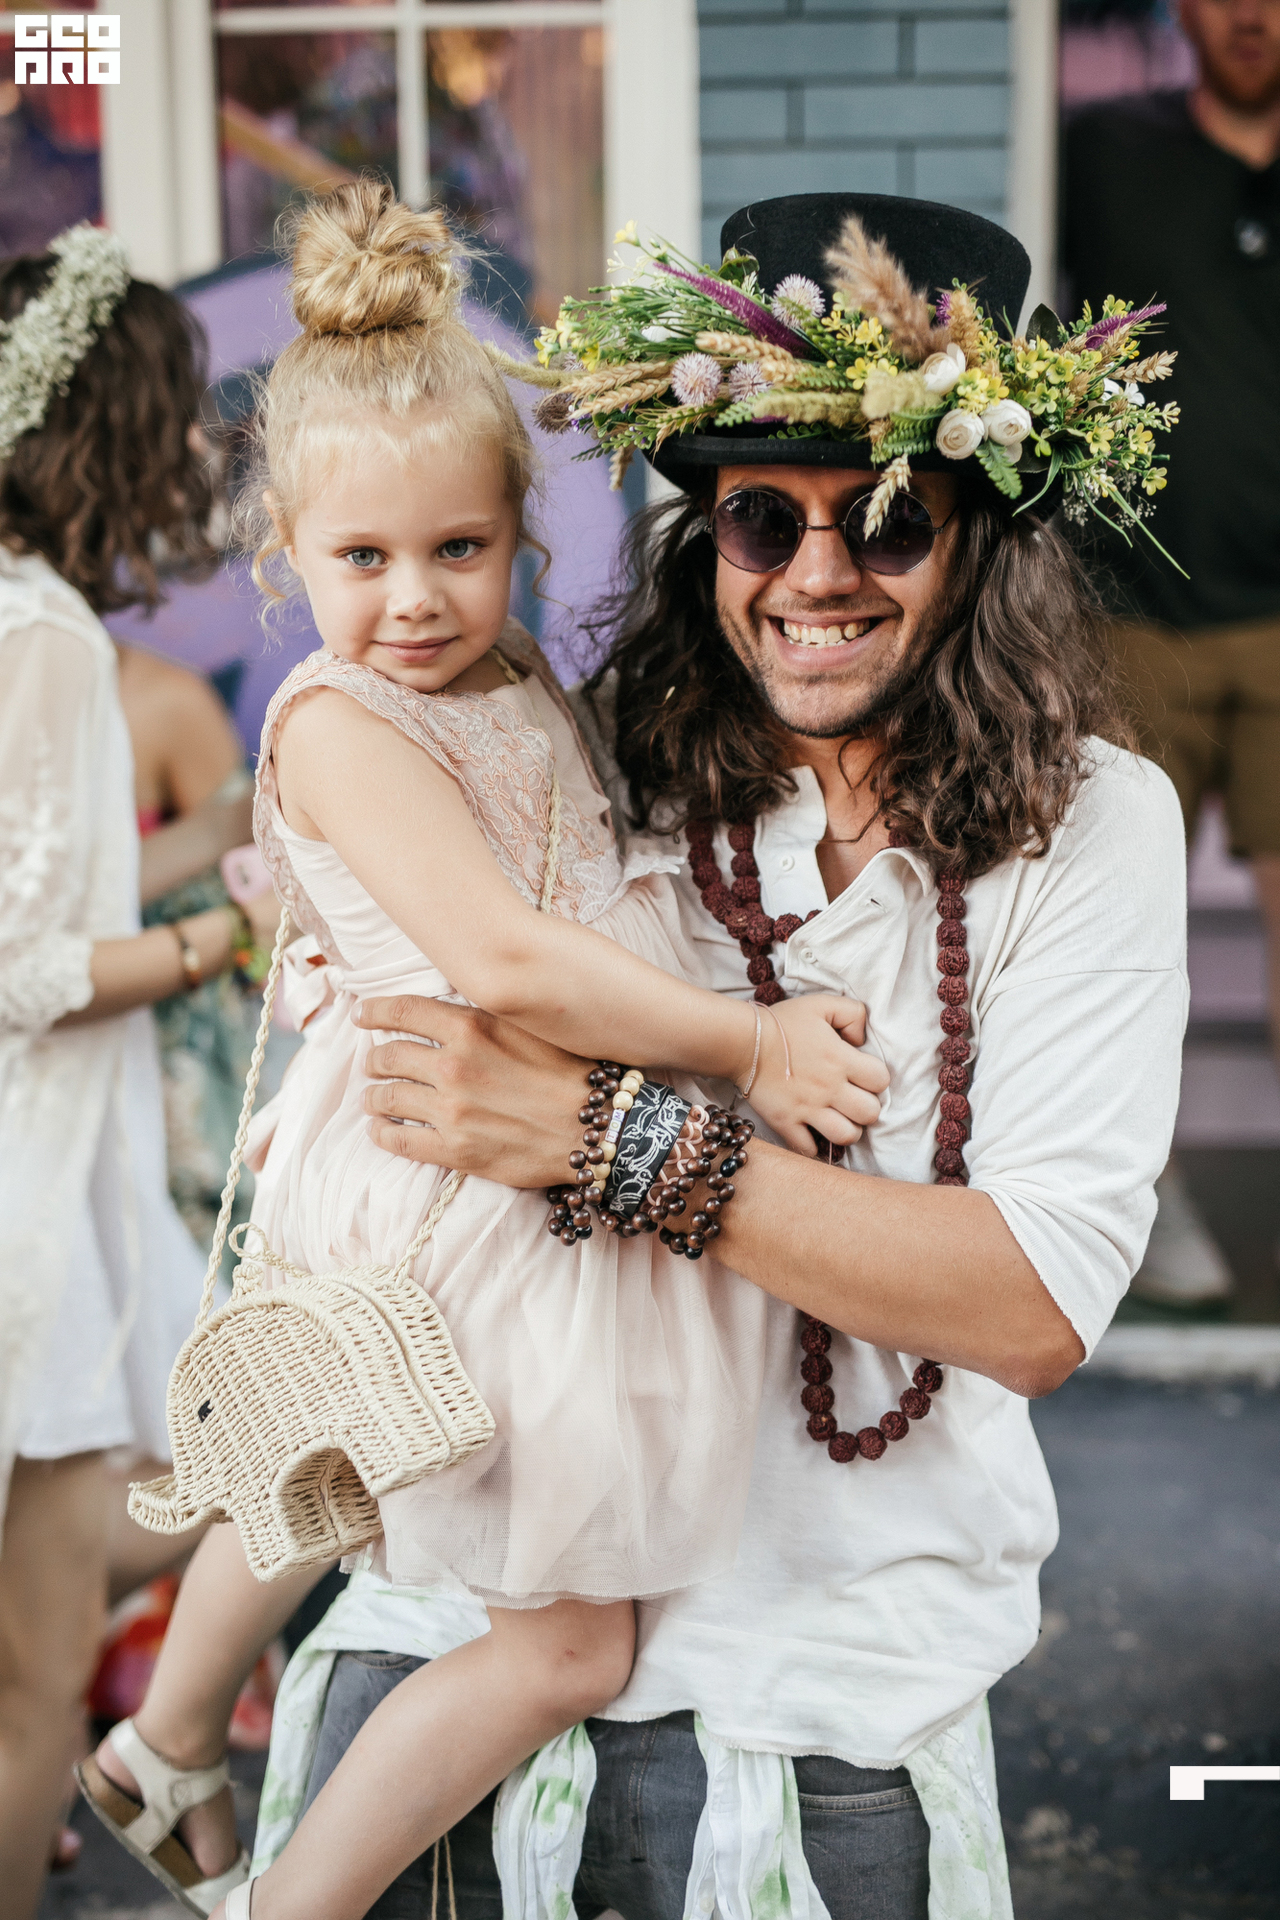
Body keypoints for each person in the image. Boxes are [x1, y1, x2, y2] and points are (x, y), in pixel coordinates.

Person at [245, 190, 1191, 1919]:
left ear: (983, 541)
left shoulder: (1092, 826)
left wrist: (602, 1134)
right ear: (709, 537)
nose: (818, 574)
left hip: (821, 1711)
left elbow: (1031, 1305)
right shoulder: (596, 757)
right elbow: (406, 946)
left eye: (887, 517)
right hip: (452, 1641)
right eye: (763, 515)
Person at [78, 182, 888, 1920]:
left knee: (333, 1446)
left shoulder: (505, 665)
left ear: (523, 532)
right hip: (466, 1166)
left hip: (535, 1141)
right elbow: (510, 956)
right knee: (561, 1636)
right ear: (284, 552)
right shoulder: (335, 720)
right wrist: (748, 1046)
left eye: (457, 548)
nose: (416, 600)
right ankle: (287, 1891)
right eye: (361, 561)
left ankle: (166, 1745)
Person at [0, 227, 278, 1920]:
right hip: (27, 1203)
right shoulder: (41, 636)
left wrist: (218, 845)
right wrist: (227, 935)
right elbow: (22, 967)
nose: (193, 441)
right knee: (32, 1693)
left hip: (51, 1182)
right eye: (176, 405)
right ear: (97, 415)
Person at [1064, 0, 1280, 1307]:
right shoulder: (1098, 152)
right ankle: (1150, 1201)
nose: (1251, 11)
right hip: (1135, 610)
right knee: (1125, 933)